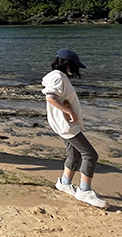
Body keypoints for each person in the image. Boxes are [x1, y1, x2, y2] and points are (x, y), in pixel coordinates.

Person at [42, 49, 108, 209]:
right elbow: (50, 97)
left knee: (74, 153)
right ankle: (84, 191)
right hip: (66, 124)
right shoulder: (58, 77)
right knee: (90, 155)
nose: (76, 70)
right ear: (68, 64)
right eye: (75, 66)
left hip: (61, 124)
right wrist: (70, 111)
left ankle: (65, 183)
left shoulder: (54, 76)